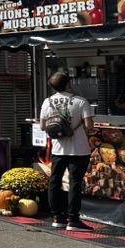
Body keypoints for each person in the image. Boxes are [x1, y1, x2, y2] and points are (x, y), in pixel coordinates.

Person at [39, 71, 93, 231]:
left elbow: (42, 126)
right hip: (79, 150)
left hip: (58, 149)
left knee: (54, 181)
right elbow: (89, 126)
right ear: (69, 84)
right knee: (75, 183)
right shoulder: (81, 101)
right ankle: (73, 220)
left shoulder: (47, 101)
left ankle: (57, 217)